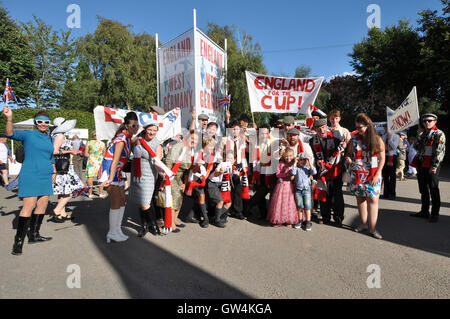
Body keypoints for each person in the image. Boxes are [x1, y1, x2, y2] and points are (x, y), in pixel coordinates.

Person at [3, 107, 56, 255]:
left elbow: (51, 156)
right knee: (29, 205)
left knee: (42, 206)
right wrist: (9, 118)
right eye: (40, 121)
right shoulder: (28, 134)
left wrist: (54, 171)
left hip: (46, 174)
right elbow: (10, 133)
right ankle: (18, 241)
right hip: (31, 173)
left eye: (46, 122)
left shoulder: (49, 137)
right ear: (35, 122)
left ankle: (34, 235)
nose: (43, 124)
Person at [100, 112, 139, 243]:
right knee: (116, 202)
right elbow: (114, 161)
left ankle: (117, 230)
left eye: (137, 126)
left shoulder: (127, 138)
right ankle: (112, 232)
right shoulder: (121, 139)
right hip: (109, 173)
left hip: (116, 172)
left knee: (123, 200)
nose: (136, 128)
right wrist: (110, 178)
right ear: (127, 126)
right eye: (133, 126)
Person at [345, 113, 385, 239]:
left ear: (368, 126)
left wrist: (377, 174)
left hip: (373, 173)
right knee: (360, 198)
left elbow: (382, 158)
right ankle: (363, 224)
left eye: (360, 127)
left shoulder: (377, 139)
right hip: (358, 173)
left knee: (373, 200)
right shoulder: (354, 139)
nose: (358, 130)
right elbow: (349, 153)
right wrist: (348, 159)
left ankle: (372, 228)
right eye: (357, 127)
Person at [130, 119, 164, 237]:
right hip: (137, 173)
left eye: (154, 130)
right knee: (141, 202)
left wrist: (164, 173)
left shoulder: (158, 144)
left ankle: (153, 225)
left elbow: (158, 162)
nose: (152, 133)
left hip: (149, 174)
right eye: (150, 130)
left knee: (145, 203)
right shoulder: (137, 140)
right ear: (145, 129)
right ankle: (144, 226)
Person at [410, 114, 446, 223]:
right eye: (424, 121)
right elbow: (416, 147)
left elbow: (440, 151)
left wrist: (434, 166)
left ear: (435, 121)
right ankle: (424, 211)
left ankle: (435, 214)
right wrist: (419, 136)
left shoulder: (439, 133)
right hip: (421, 164)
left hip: (432, 164)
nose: (427, 123)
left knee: (433, 189)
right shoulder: (423, 133)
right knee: (423, 189)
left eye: (429, 121)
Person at [162, 130, 200, 233]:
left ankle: (174, 219)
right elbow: (169, 160)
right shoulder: (179, 146)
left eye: (196, 140)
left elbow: (189, 169)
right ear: (187, 137)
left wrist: (184, 183)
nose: (194, 141)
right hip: (171, 174)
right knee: (174, 197)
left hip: (180, 177)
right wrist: (166, 178)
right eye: (192, 138)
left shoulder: (191, 150)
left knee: (180, 197)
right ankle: (170, 223)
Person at [309, 118, 345, 226]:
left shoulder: (335, 136)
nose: (322, 130)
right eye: (319, 128)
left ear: (326, 127)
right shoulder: (312, 141)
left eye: (323, 127)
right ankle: (325, 217)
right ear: (315, 130)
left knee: (337, 195)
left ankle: (338, 218)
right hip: (322, 172)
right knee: (323, 194)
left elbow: (342, 150)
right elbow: (312, 157)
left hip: (336, 170)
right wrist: (316, 162)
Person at [49, 118, 84, 223]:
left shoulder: (57, 135)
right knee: (70, 193)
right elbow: (54, 151)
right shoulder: (60, 136)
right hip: (63, 167)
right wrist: (70, 151)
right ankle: (57, 210)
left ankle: (62, 214)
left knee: (63, 191)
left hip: (63, 166)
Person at [267, 148, 298, 226]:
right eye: (286, 156)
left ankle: (288, 219)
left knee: (289, 202)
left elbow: (295, 174)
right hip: (281, 185)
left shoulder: (294, 164)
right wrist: (286, 174)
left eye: (290, 156)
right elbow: (277, 174)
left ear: (293, 156)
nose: (288, 158)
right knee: (279, 202)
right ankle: (278, 219)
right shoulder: (280, 164)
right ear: (284, 156)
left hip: (289, 185)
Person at [206, 150, 235, 228]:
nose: (229, 160)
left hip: (220, 185)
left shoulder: (232, 166)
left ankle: (214, 217)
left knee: (228, 203)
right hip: (212, 183)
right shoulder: (222, 164)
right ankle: (217, 220)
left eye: (231, 158)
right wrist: (220, 172)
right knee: (220, 201)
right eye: (228, 158)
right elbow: (215, 173)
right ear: (224, 158)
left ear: (234, 160)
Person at [290, 152, 317, 231]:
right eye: (301, 159)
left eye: (305, 160)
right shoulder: (297, 168)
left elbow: (314, 172)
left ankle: (308, 221)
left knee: (307, 206)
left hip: (306, 190)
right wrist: (295, 162)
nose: (303, 161)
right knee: (299, 206)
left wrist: (310, 163)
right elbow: (292, 172)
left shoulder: (308, 168)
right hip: (298, 190)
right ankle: (300, 221)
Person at [84, 131, 106, 198]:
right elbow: (104, 154)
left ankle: (90, 194)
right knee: (100, 177)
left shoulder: (89, 142)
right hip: (99, 161)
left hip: (91, 161)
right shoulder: (102, 143)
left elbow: (85, 154)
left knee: (90, 178)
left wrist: (91, 156)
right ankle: (101, 193)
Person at [381, 125, 400, 200]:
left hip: (392, 156)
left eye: (387, 127)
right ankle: (386, 192)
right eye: (385, 127)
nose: (386, 128)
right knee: (385, 175)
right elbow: (382, 147)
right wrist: (386, 146)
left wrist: (389, 140)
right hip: (385, 156)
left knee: (392, 176)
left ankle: (392, 193)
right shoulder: (383, 136)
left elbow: (394, 147)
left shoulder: (396, 136)